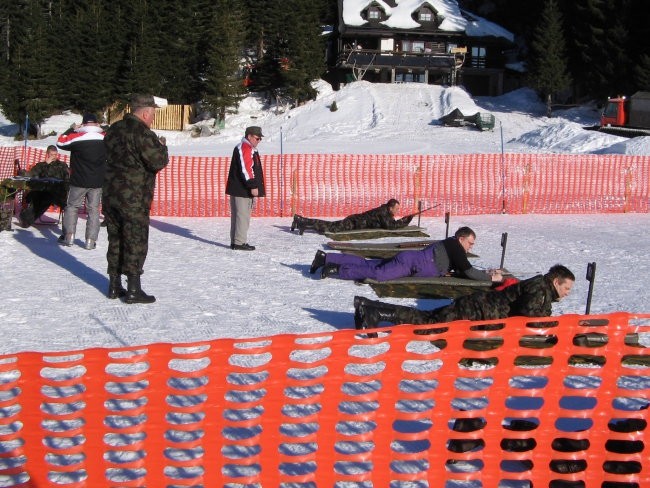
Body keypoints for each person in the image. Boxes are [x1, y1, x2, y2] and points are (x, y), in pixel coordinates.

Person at [354, 264, 575, 330]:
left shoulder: (541, 288)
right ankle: (376, 312)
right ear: (556, 281)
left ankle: (369, 306)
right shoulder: (539, 289)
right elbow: (528, 313)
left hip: (477, 307)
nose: (566, 294)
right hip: (476, 311)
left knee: (429, 317)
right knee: (430, 322)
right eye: (566, 288)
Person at [103, 94, 169, 303]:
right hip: (134, 198)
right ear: (145, 112)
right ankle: (133, 289)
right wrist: (162, 146)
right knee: (135, 240)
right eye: (152, 115)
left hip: (111, 194)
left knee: (115, 239)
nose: (152, 119)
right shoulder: (142, 132)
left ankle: (114, 285)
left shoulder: (113, 130)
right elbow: (158, 161)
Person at [311, 226, 503, 283]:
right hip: (410, 264)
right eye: (470, 243)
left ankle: (326, 258)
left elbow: (463, 270)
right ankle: (336, 269)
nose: (470, 248)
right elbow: (468, 271)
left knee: (370, 265)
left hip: (410, 261)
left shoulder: (453, 245)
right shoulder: (455, 246)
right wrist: (491, 278)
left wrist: (486, 272)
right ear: (461, 238)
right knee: (378, 275)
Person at [56, 113, 107, 249]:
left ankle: (69, 236)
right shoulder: (104, 137)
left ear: (83, 124)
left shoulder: (77, 137)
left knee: (72, 207)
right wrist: (103, 128)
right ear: (96, 123)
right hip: (97, 181)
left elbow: (60, 141)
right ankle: (90, 241)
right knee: (94, 210)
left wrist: (72, 129)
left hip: (78, 180)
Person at [225, 126, 266, 251]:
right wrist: (253, 185)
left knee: (240, 216)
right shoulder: (245, 147)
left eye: (260, 139)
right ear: (249, 136)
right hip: (242, 189)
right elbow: (246, 169)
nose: (259, 141)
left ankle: (237, 241)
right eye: (257, 138)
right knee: (242, 216)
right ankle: (239, 242)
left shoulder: (249, 148)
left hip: (241, 188)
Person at [291, 198, 413, 235]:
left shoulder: (385, 212)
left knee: (329, 227)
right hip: (354, 223)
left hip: (354, 221)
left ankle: (303, 223)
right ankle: (302, 221)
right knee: (330, 227)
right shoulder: (383, 212)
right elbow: (390, 226)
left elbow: (391, 222)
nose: (397, 211)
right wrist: (406, 220)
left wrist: (405, 219)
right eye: (396, 209)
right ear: (390, 207)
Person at [18, 145, 70, 228]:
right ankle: (26, 218)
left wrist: (66, 190)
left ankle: (26, 219)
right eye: (52, 154)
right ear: (47, 154)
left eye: (55, 154)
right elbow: (32, 174)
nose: (54, 157)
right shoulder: (41, 165)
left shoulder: (62, 166)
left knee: (46, 198)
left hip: (57, 192)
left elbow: (67, 180)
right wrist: (23, 173)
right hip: (42, 190)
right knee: (36, 196)